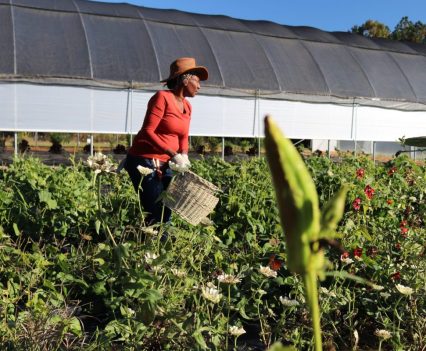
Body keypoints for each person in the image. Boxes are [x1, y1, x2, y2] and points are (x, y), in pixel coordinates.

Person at [124, 57, 208, 225]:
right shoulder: (162, 98)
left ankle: (158, 245)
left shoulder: (187, 106)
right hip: (145, 160)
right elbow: (147, 131)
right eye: (197, 81)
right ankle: (153, 247)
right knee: (156, 212)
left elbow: (183, 135)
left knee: (167, 208)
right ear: (185, 79)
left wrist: (183, 155)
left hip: (167, 162)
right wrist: (172, 153)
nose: (199, 86)